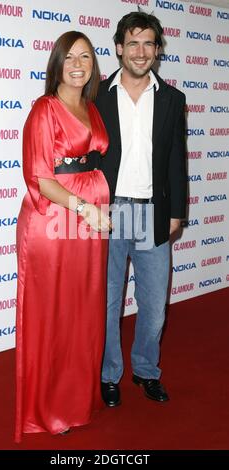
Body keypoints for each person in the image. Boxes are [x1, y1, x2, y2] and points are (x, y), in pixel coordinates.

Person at [15, 31, 111, 441]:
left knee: (83, 312)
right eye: (69, 56)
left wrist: (98, 207)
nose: (78, 63)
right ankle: (48, 410)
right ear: (56, 62)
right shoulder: (44, 109)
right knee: (54, 314)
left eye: (85, 56)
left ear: (93, 64)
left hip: (91, 221)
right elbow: (41, 179)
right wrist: (85, 207)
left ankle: (76, 400)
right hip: (54, 219)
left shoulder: (91, 105)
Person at [93, 11, 187, 406]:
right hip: (107, 214)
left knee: (153, 305)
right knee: (108, 301)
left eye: (149, 43)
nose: (141, 51)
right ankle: (109, 374)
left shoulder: (172, 99)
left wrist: (176, 213)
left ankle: (146, 371)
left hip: (152, 212)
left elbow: (176, 162)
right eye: (133, 42)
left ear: (157, 49)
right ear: (118, 48)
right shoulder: (95, 95)